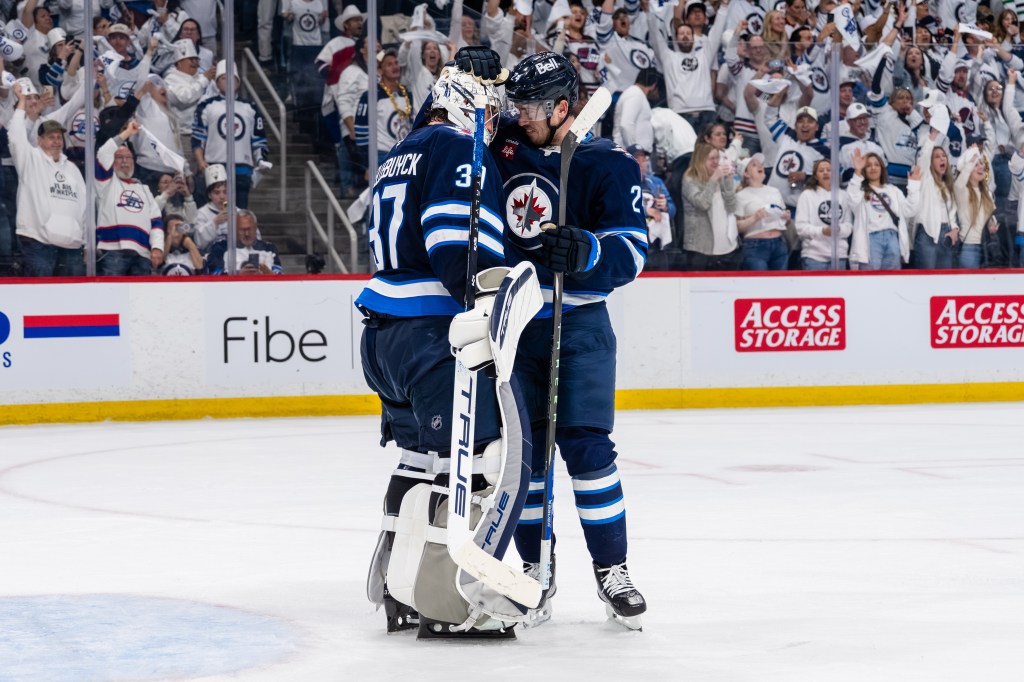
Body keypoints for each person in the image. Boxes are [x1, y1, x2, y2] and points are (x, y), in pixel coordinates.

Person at [356, 64, 538, 638]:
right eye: (486, 114)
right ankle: (449, 605)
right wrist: (487, 292)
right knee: (474, 463)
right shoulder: (454, 145)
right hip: (432, 335)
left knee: (418, 461)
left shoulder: (399, 154)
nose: (491, 129)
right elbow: (452, 240)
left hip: (384, 336)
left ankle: (397, 588)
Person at [484, 50, 649, 629]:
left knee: (588, 452)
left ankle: (612, 571)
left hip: (578, 327)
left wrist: (587, 250)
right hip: (515, 324)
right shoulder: (505, 143)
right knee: (523, 461)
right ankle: (535, 569)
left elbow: (633, 252)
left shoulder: (608, 164)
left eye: (529, 106)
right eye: (515, 104)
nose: (518, 114)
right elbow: (449, 124)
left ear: (562, 107)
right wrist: (470, 73)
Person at [9, 81, 87, 277]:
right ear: (39, 139)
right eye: (50, 137)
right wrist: (20, 103)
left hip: (72, 245)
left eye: (59, 137)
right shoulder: (30, 159)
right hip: (37, 242)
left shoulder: (71, 168)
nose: (56, 141)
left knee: (72, 303)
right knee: (36, 301)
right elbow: (16, 136)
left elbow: (84, 206)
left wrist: (85, 240)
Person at [192, 60, 269, 209]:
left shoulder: (250, 107)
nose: (228, 82)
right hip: (214, 167)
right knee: (215, 211)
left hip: (242, 169)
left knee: (240, 213)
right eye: (223, 78)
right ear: (216, 82)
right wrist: (201, 162)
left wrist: (260, 160)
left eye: (232, 78)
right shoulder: (206, 106)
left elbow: (259, 139)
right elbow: (198, 138)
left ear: (238, 82)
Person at [95, 119, 165, 276]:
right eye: (119, 157)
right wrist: (127, 133)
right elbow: (103, 153)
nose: (124, 161)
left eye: (128, 157)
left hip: (143, 254)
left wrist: (157, 247)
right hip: (113, 250)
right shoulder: (105, 183)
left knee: (140, 299)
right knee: (112, 298)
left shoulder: (144, 189)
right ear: (112, 162)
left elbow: (156, 222)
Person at [848, 149, 922, 270]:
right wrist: (857, 172)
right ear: (864, 170)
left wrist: (913, 187)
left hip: (892, 238)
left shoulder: (893, 190)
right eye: (868, 165)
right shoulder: (860, 191)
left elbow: (910, 210)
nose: (873, 168)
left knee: (891, 282)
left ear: (882, 168)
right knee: (871, 282)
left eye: (876, 164)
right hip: (870, 239)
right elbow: (852, 199)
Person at [682, 142, 740, 270]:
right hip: (701, 248)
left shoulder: (721, 177)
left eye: (717, 158)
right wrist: (713, 179)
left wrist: (729, 182)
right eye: (711, 158)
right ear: (700, 159)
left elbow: (732, 207)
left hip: (727, 246)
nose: (716, 162)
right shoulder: (690, 179)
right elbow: (702, 204)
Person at [912, 127, 959, 269]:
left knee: (944, 284)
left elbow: (952, 212)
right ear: (931, 162)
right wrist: (932, 136)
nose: (942, 158)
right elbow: (923, 158)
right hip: (928, 234)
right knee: (925, 282)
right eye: (937, 156)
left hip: (946, 234)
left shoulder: (948, 184)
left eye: (943, 156)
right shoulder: (925, 179)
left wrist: (955, 229)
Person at [734, 153, 790, 270]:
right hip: (755, 246)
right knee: (757, 285)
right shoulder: (740, 196)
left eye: (760, 164)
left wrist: (786, 217)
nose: (760, 166)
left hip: (779, 243)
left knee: (780, 285)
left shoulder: (774, 191)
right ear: (746, 173)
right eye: (754, 165)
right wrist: (754, 218)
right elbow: (737, 227)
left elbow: (783, 216)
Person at [795, 159, 853, 270]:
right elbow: (800, 228)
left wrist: (839, 229)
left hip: (839, 256)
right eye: (821, 170)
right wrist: (822, 231)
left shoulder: (844, 196)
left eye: (829, 170)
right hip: (813, 256)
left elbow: (849, 226)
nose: (825, 172)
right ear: (815, 176)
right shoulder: (806, 195)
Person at [206, 209, 282, 275]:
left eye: (249, 229)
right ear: (234, 230)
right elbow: (213, 275)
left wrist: (269, 274)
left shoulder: (268, 248)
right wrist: (238, 274)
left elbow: (281, 276)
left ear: (256, 228)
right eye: (242, 230)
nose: (247, 234)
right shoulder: (221, 248)